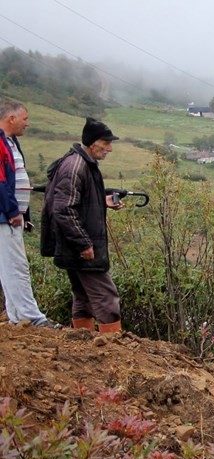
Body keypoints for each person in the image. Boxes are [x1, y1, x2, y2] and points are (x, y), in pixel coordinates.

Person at [40, 117, 124, 333]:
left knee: (83, 297)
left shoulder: (80, 163)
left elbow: (74, 202)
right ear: (92, 142)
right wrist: (83, 244)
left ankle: (83, 343)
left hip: (73, 244)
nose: (110, 148)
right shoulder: (76, 166)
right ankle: (114, 349)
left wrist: (101, 201)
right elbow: (64, 209)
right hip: (81, 245)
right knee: (106, 297)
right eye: (106, 143)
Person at [0, 99, 59, 328]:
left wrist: (22, 215)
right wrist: (13, 210)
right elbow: (1, 180)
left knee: (9, 266)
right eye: (25, 119)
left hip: (10, 216)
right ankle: (32, 318)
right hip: (5, 215)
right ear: (11, 118)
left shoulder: (10, 142)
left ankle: (18, 317)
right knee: (16, 266)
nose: (27, 123)